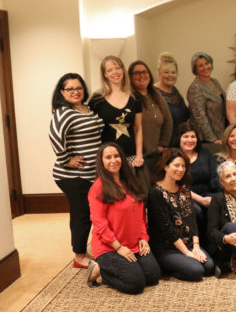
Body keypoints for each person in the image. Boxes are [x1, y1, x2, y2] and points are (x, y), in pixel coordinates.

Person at [86, 142, 160, 294]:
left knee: (153, 277)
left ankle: (127, 267)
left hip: (133, 242)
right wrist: (119, 248)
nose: (113, 160)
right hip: (109, 246)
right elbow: (100, 224)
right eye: (108, 157)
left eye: (116, 156)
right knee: (136, 284)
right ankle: (101, 270)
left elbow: (140, 215)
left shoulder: (131, 181)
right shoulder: (98, 188)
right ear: (101, 162)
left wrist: (143, 238)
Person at [49, 73, 104, 269]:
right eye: (70, 89)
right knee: (81, 213)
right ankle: (79, 255)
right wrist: (66, 159)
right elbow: (55, 137)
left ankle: (82, 250)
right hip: (72, 176)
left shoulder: (86, 108)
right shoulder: (64, 112)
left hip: (89, 173)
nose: (75, 92)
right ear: (62, 92)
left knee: (88, 212)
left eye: (78, 87)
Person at [147, 148, 214, 281]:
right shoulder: (156, 192)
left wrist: (195, 247)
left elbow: (191, 219)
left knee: (209, 267)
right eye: (176, 165)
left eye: (183, 166)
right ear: (166, 166)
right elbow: (167, 229)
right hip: (167, 247)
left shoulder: (184, 188)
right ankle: (165, 268)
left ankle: (183, 261)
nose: (181, 169)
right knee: (197, 271)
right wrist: (187, 253)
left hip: (188, 242)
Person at [89, 55, 144, 168]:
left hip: (131, 156)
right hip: (108, 159)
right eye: (110, 70)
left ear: (123, 70)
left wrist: (139, 155)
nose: (115, 72)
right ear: (105, 75)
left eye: (117, 68)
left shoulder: (134, 98)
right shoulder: (97, 99)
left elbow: (138, 129)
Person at [177, 121, 220, 242]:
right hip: (183, 196)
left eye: (193, 136)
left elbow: (215, 178)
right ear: (179, 138)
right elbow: (176, 185)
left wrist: (217, 198)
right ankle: (200, 244)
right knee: (197, 210)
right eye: (185, 136)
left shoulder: (205, 153)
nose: (189, 140)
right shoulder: (174, 156)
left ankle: (217, 246)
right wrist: (200, 200)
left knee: (217, 204)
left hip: (207, 193)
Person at [129, 60, 173, 175]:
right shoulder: (129, 98)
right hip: (137, 159)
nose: (142, 75)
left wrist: (162, 145)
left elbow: (168, 122)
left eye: (145, 72)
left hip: (156, 156)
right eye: (137, 73)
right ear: (130, 77)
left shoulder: (156, 95)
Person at [187, 52, 226, 143]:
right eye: (200, 66)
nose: (205, 67)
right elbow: (200, 117)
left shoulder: (215, 81)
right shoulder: (195, 87)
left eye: (207, 63)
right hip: (207, 139)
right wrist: (213, 139)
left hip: (221, 133)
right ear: (195, 69)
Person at [153, 52, 190, 147]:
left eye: (173, 72)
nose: (170, 75)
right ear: (159, 73)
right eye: (166, 72)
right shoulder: (153, 93)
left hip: (179, 142)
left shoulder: (174, 90)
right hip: (163, 146)